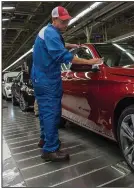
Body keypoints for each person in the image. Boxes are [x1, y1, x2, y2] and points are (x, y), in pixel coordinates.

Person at [31, 6, 100, 162]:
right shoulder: (50, 33)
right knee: (51, 113)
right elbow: (62, 56)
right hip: (47, 79)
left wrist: (69, 45)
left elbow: (54, 46)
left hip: (40, 78)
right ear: (54, 19)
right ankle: (50, 150)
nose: (66, 24)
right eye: (63, 21)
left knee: (44, 111)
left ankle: (44, 140)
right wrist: (89, 61)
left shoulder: (48, 32)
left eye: (67, 20)